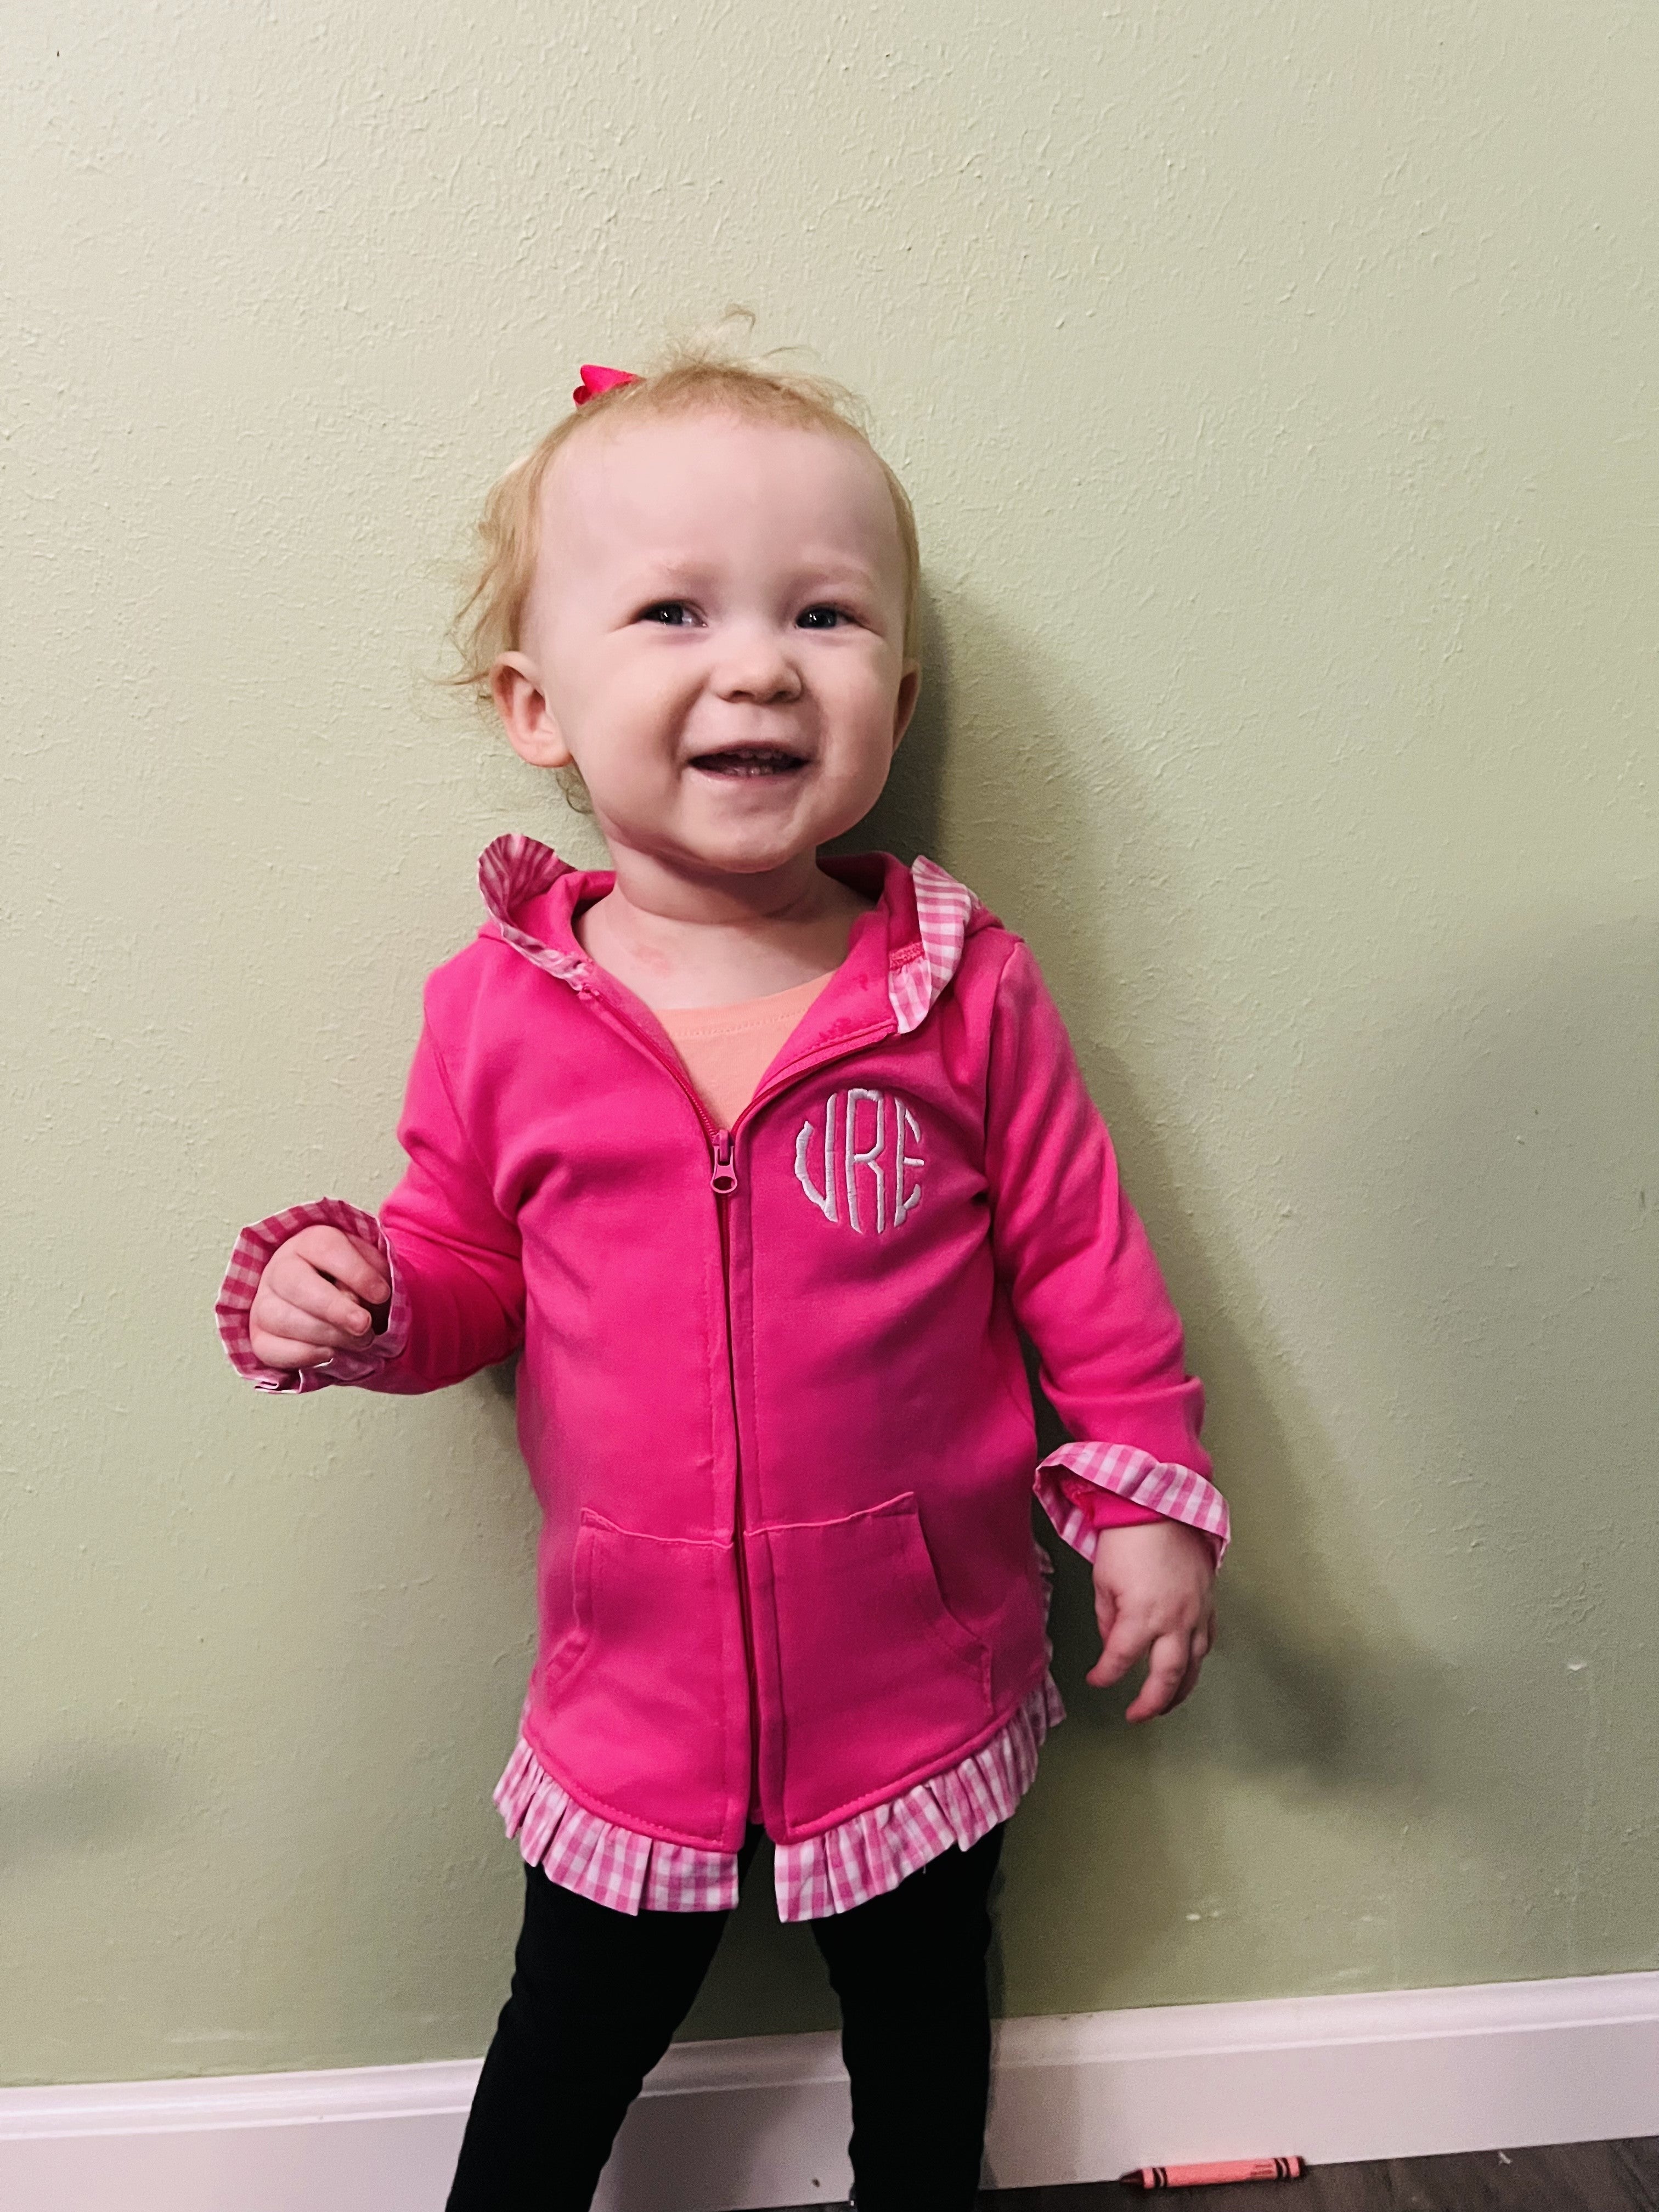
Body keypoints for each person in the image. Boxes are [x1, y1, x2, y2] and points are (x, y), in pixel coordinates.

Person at [215, 340, 1229, 2212]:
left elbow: (1084, 1263)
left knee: (925, 2018)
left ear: (894, 699)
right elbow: (466, 1268)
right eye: (674, 611)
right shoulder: (501, 1010)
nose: (759, 666)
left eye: (822, 616)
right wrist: (363, 1295)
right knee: (568, 2029)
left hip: (918, 1662)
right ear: (538, 705)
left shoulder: (958, 990)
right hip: (636, 1680)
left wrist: (1147, 1495)